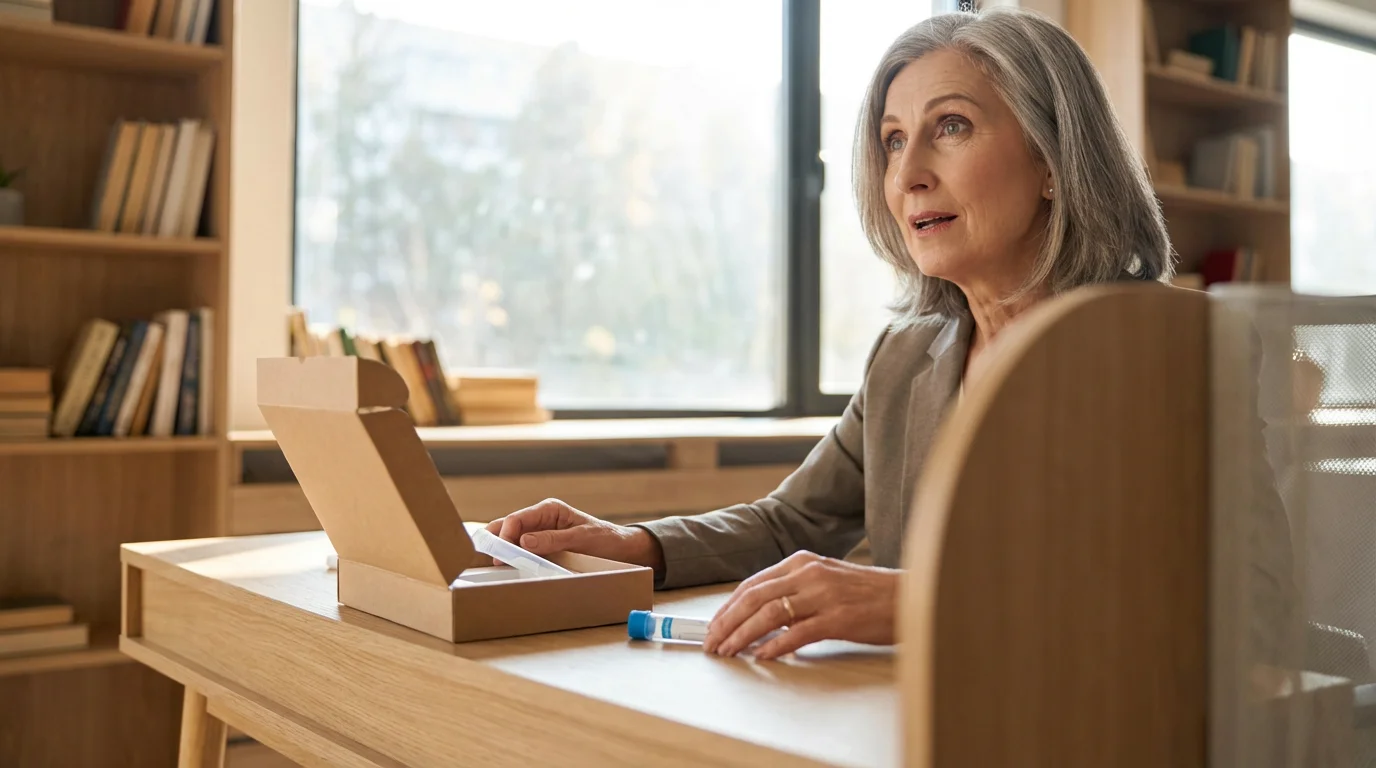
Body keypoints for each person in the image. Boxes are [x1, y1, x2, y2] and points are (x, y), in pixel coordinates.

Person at [487, 7, 1198, 659]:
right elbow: (790, 524)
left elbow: (1230, 600)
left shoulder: (1166, 349)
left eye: (951, 126)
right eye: (893, 141)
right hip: (911, 719)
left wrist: (924, 603)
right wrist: (634, 545)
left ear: (1052, 158)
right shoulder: (908, 356)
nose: (908, 174)